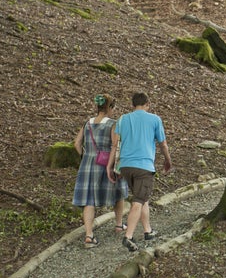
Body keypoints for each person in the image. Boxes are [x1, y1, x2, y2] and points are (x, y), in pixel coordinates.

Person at [107, 92, 172, 252]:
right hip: (144, 166)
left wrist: (110, 166)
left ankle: (147, 230)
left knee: (142, 198)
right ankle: (128, 236)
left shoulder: (122, 119)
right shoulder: (155, 119)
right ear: (147, 104)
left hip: (126, 166)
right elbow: (162, 143)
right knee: (138, 201)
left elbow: (115, 145)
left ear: (133, 105)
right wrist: (168, 160)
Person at [72, 94, 129, 248]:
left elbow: (77, 143)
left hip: (88, 164)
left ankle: (89, 236)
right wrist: (114, 164)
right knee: (118, 190)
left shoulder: (88, 123)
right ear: (110, 107)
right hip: (106, 163)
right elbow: (115, 145)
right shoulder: (112, 124)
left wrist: (85, 156)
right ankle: (118, 225)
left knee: (89, 199)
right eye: (113, 108)